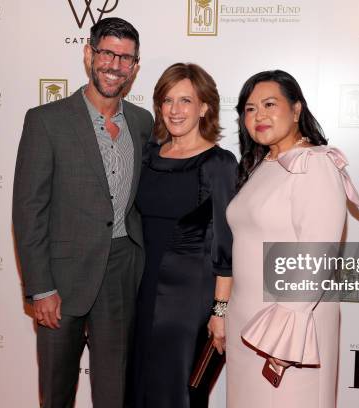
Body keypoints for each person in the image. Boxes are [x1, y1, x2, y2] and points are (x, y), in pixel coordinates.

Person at [12, 17, 153, 408]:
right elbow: (29, 210)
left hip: (121, 271)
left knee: (115, 392)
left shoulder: (143, 123)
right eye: (107, 52)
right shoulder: (46, 121)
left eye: (126, 58)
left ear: (135, 66)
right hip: (62, 278)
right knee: (56, 393)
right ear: (89, 53)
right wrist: (41, 288)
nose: (115, 65)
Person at [225, 70, 359, 408]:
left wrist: (282, 341)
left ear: (297, 109)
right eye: (249, 108)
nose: (258, 115)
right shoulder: (266, 162)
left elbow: (316, 258)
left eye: (270, 104)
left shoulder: (314, 165)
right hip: (247, 326)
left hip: (287, 332)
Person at [131, 63, 237, 408]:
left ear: (204, 107)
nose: (175, 110)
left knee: (175, 389)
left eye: (186, 101)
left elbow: (226, 244)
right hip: (140, 290)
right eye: (168, 100)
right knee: (137, 384)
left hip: (188, 298)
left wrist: (220, 312)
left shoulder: (219, 163)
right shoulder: (148, 156)